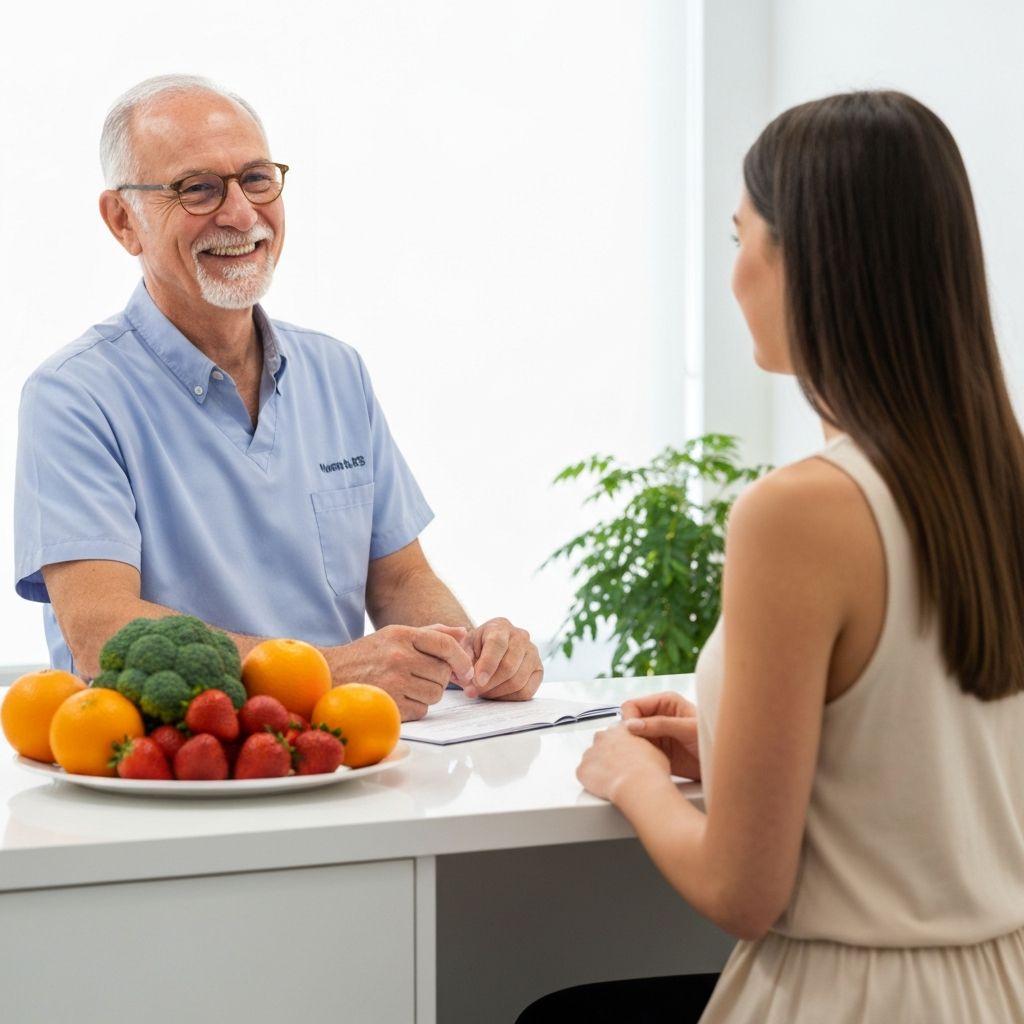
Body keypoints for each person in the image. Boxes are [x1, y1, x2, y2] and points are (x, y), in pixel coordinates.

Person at [521, 90, 1024, 1022]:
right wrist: (730, 752)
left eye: (739, 236)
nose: (734, 272)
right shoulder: (1000, 476)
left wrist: (634, 779)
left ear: (811, 261)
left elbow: (741, 890)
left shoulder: (799, 512)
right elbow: (949, 764)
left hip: (853, 999)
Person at [13, 74, 543, 722]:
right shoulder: (73, 398)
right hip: (176, 786)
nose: (240, 214)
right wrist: (328, 671)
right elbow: (101, 634)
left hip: (350, 764)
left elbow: (402, 581)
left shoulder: (336, 372)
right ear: (124, 220)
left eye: (257, 179)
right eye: (198, 189)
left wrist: (475, 655)